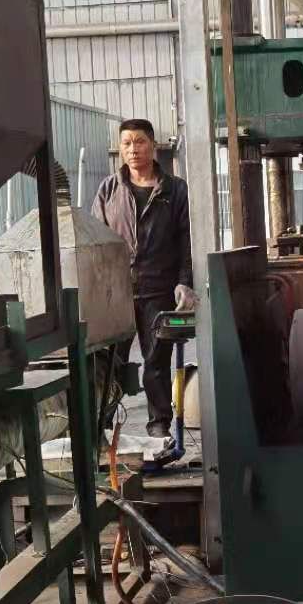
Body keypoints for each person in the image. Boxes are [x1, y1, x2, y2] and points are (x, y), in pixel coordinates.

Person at [92, 118, 195, 439]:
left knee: (156, 363)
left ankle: (159, 426)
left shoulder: (175, 189)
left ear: (153, 146)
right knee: (110, 363)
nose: (133, 149)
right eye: (126, 143)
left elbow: (186, 241)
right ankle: (101, 426)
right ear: (120, 149)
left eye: (139, 142)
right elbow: (97, 242)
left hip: (159, 289)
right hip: (118, 293)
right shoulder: (109, 190)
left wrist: (184, 281)